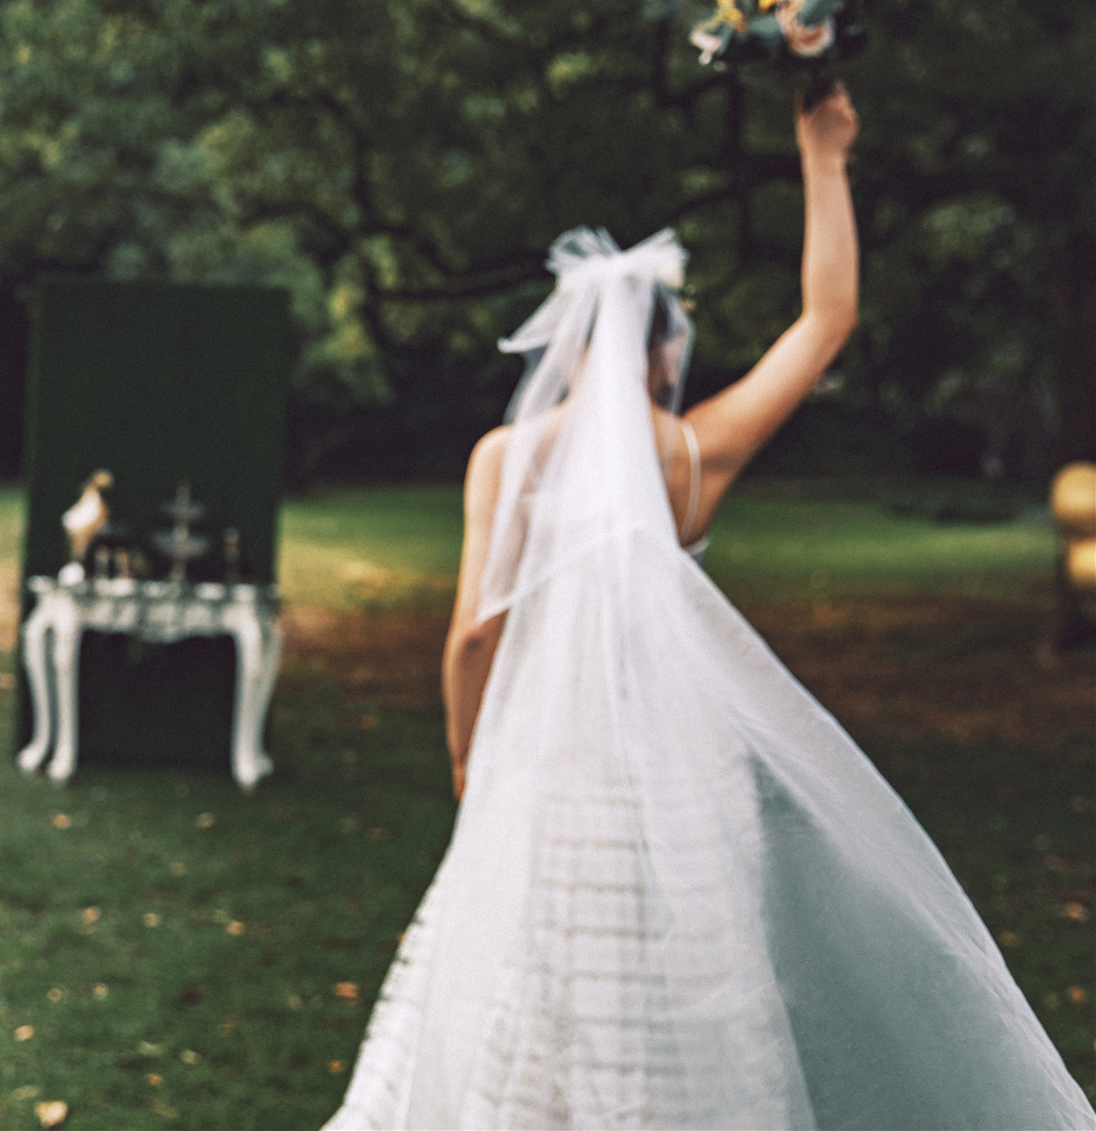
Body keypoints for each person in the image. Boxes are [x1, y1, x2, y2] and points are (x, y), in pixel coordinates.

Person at [324, 89, 1096, 1130]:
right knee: (675, 994)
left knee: (528, 984)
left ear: (570, 346)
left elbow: (474, 636)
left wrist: (468, 754)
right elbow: (827, 321)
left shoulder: (504, 459)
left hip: (548, 769)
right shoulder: (694, 452)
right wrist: (824, 157)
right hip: (683, 777)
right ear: (660, 351)